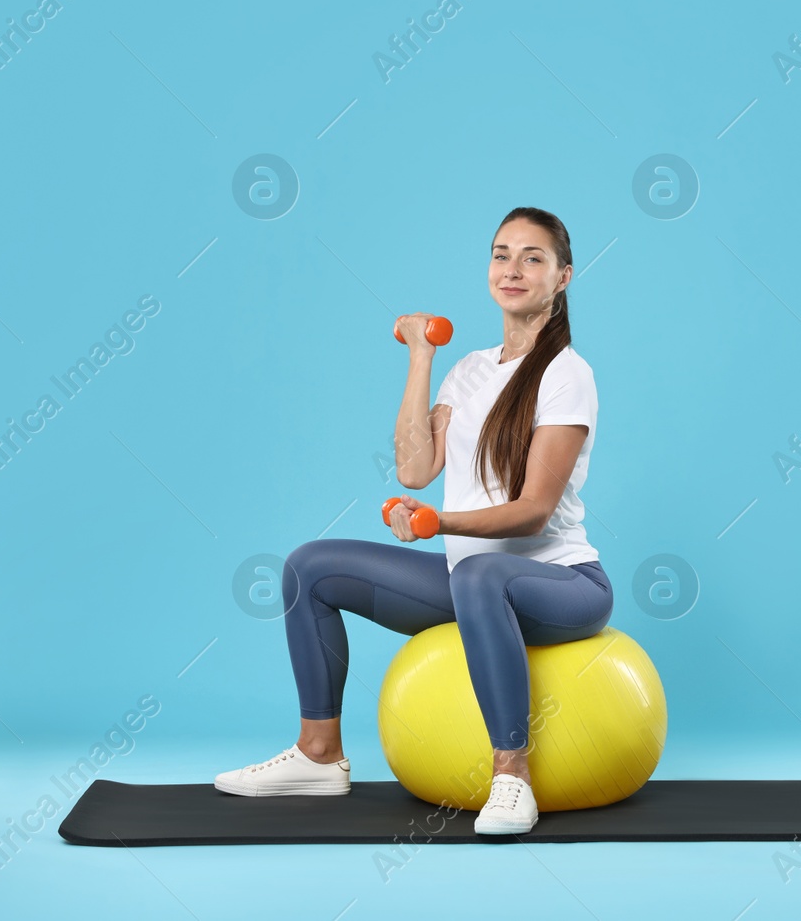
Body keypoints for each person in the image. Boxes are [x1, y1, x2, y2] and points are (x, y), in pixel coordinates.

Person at [213, 206, 611, 835]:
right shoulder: (470, 370)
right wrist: (422, 357)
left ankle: (512, 778)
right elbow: (414, 469)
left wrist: (437, 523)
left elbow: (534, 510)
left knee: (481, 574)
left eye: (533, 257)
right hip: (472, 580)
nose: (513, 269)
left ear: (562, 277)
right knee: (310, 568)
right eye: (501, 254)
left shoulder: (567, 375)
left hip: (562, 585)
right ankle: (319, 754)